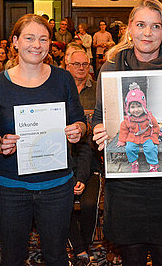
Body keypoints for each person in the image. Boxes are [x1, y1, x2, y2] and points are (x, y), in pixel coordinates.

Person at [93, 0, 162, 266]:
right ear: (130, 27)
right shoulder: (111, 67)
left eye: (155, 26)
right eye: (141, 24)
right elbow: (99, 116)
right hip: (127, 183)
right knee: (131, 253)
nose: (147, 33)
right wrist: (98, 130)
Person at [0, 13, 86, 266]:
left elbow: (81, 121)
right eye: (29, 38)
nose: (36, 45)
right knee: (13, 257)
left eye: (43, 39)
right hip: (9, 187)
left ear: (50, 43)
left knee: (56, 256)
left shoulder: (63, 79)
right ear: (15, 41)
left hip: (56, 186)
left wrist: (78, 130)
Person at [66, 49, 101, 266]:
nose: (81, 68)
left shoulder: (97, 90)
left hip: (91, 156)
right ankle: (79, 249)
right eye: (76, 64)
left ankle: (83, 247)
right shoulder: (60, 88)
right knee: (61, 202)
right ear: (67, 66)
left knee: (88, 204)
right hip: (64, 159)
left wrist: (81, 175)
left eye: (85, 64)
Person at [117, 82, 160, 173]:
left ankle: (153, 165)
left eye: (139, 106)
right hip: (132, 138)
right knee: (129, 148)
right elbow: (123, 131)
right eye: (132, 107)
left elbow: (155, 128)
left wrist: (154, 138)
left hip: (146, 137)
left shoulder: (149, 117)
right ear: (128, 108)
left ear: (143, 106)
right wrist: (122, 140)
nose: (136, 110)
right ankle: (134, 163)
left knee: (151, 148)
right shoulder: (127, 120)